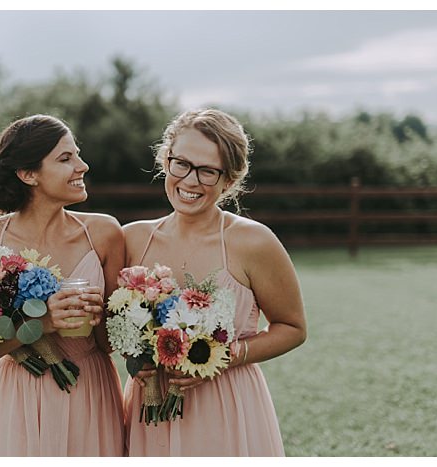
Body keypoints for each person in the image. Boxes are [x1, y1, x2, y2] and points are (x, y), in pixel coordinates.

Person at [122, 108, 307, 456]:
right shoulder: (132, 239)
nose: (190, 181)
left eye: (207, 171)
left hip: (226, 406)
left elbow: (293, 327)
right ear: (166, 160)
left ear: (229, 179)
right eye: (181, 163)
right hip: (149, 409)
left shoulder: (254, 242)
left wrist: (224, 357)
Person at [0, 114, 125, 456]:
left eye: (77, 154)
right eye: (65, 158)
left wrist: (104, 316)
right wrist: (41, 324)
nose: (82, 166)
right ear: (29, 174)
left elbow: (107, 344)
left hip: (91, 389)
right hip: (21, 394)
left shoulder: (105, 234)